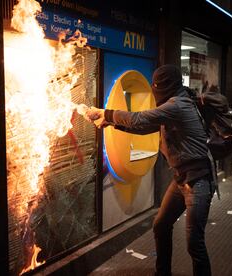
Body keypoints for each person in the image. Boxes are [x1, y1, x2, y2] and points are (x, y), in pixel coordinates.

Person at [85, 64, 217, 276]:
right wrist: (112, 123)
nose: (155, 90)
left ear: (165, 86)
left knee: (195, 243)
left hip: (198, 180)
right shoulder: (173, 104)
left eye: (157, 85)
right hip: (182, 179)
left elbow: (140, 119)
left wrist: (105, 113)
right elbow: (146, 127)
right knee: (161, 225)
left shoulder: (177, 105)